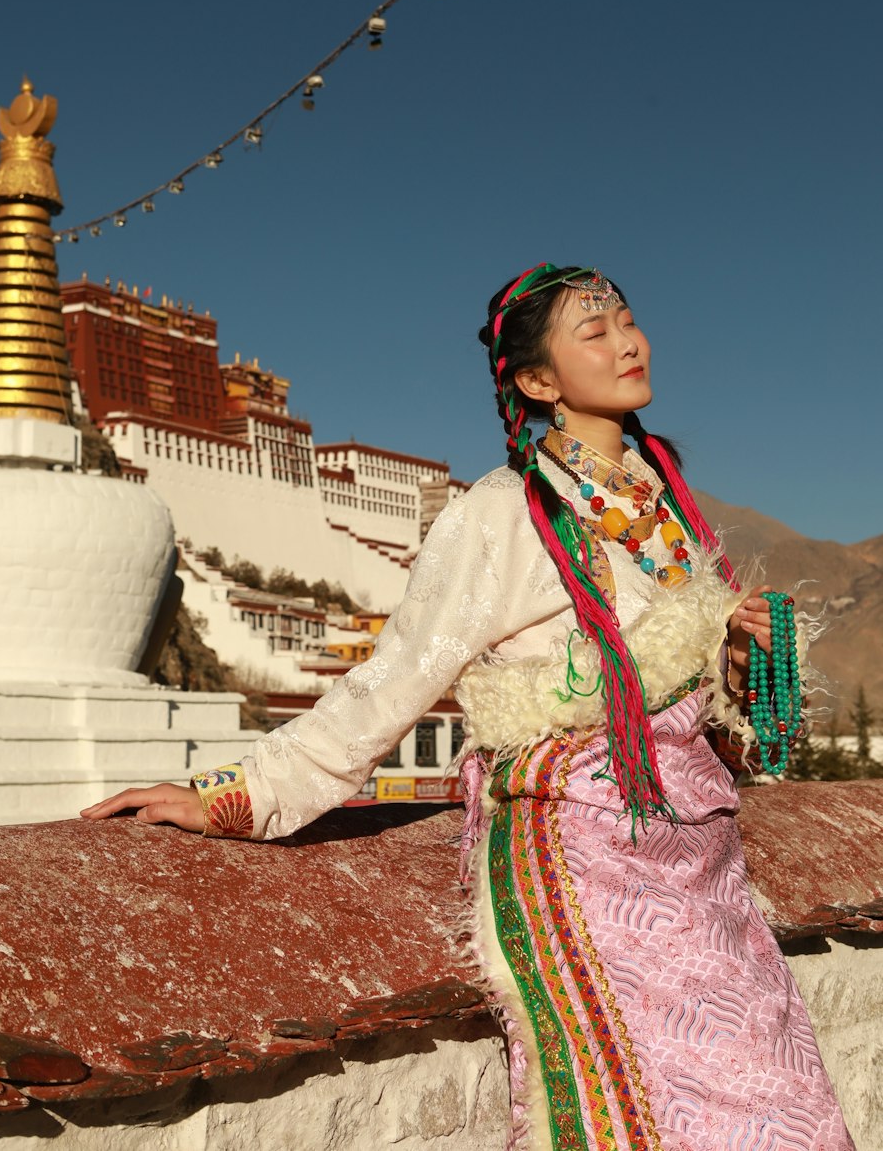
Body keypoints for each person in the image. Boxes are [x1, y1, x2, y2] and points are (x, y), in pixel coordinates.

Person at [82, 262, 853, 1151]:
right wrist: (246, 791)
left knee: (776, 1100)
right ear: (537, 381)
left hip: (700, 849)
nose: (629, 342)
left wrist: (735, 645)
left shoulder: (664, 502)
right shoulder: (502, 512)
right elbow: (402, 672)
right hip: (589, 851)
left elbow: (693, 699)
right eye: (593, 335)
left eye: (628, 322)